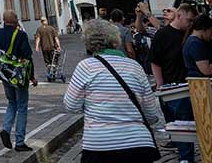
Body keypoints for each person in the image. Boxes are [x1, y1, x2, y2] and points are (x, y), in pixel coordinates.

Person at [63, 18, 165, 162]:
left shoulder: (85, 67)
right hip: (138, 144)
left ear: (88, 42)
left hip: (100, 145)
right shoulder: (135, 67)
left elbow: (71, 106)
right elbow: (152, 115)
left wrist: (96, 107)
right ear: (115, 39)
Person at [149, 3, 197, 163]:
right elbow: (155, 61)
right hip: (170, 86)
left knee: (183, 124)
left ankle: (186, 157)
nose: (190, 24)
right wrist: (160, 85)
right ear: (179, 16)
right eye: (189, 20)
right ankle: (183, 153)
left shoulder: (189, 35)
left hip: (184, 87)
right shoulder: (163, 35)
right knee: (176, 125)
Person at [0, 10, 36, 152]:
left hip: (4, 74)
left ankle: (6, 129)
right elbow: (27, 57)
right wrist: (32, 76)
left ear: (3, 20)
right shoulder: (20, 35)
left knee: (11, 102)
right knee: (22, 106)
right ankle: (20, 141)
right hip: (19, 76)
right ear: (16, 22)